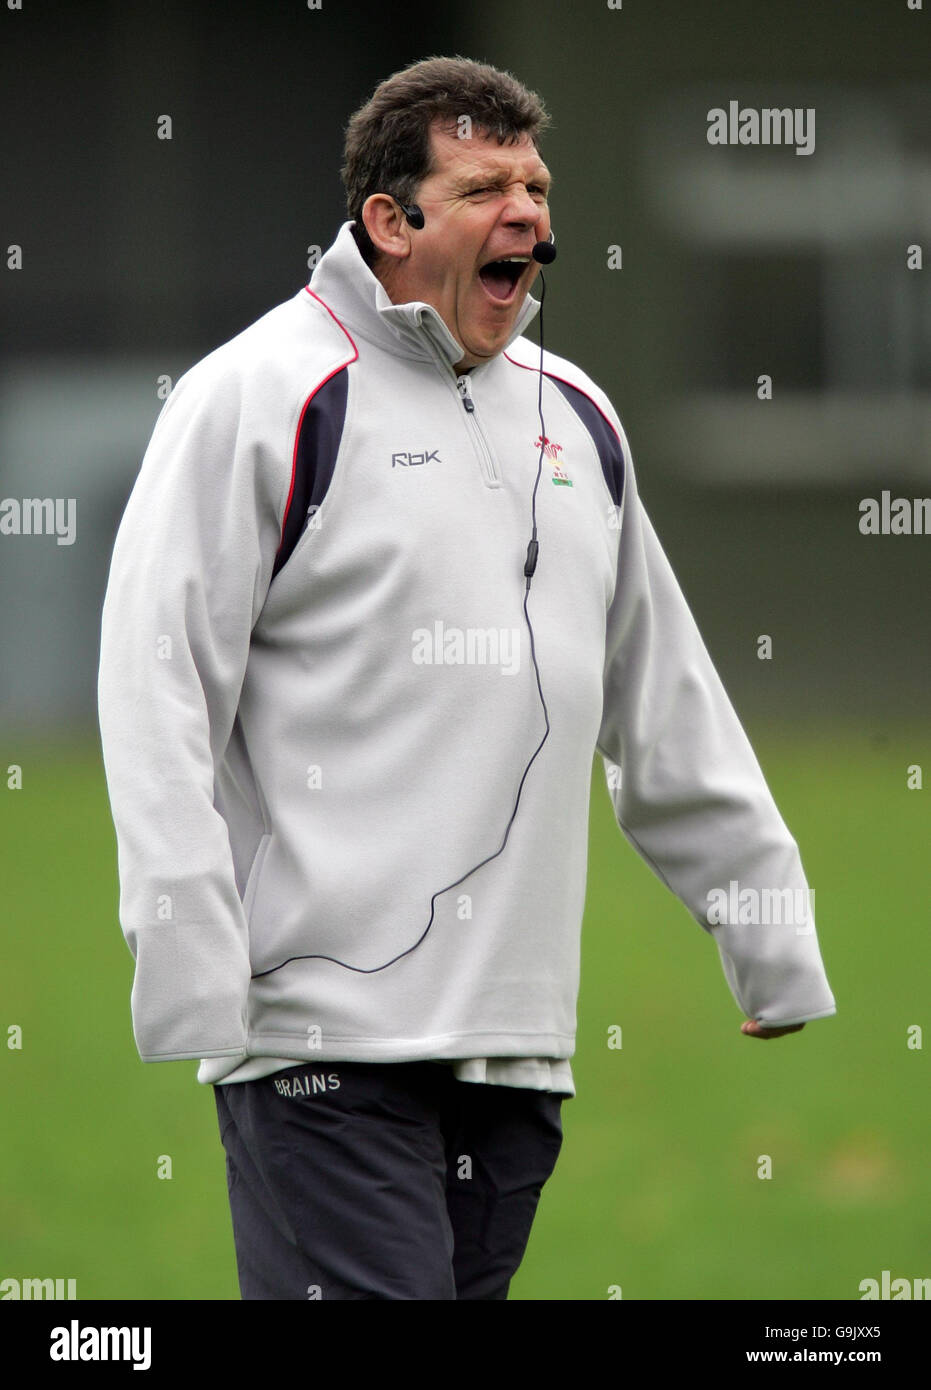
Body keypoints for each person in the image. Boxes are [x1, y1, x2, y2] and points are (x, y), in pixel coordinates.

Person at [97, 56, 837, 1301]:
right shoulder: (257, 396)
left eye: (537, 186)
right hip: (318, 1048)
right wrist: (185, 960)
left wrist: (767, 929)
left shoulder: (579, 417)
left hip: (514, 1051)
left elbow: (664, 697)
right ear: (389, 221)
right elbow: (157, 682)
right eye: (485, 185)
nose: (530, 216)